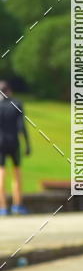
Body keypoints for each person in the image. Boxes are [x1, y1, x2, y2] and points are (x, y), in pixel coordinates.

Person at [0, 80, 31, 216]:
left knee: (1, 174)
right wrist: (28, 144)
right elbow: (21, 127)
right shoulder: (17, 104)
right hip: (14, 143)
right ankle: (17, 205)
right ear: (10, 91)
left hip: (0, 143)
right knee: (16, 174)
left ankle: (3, 207)